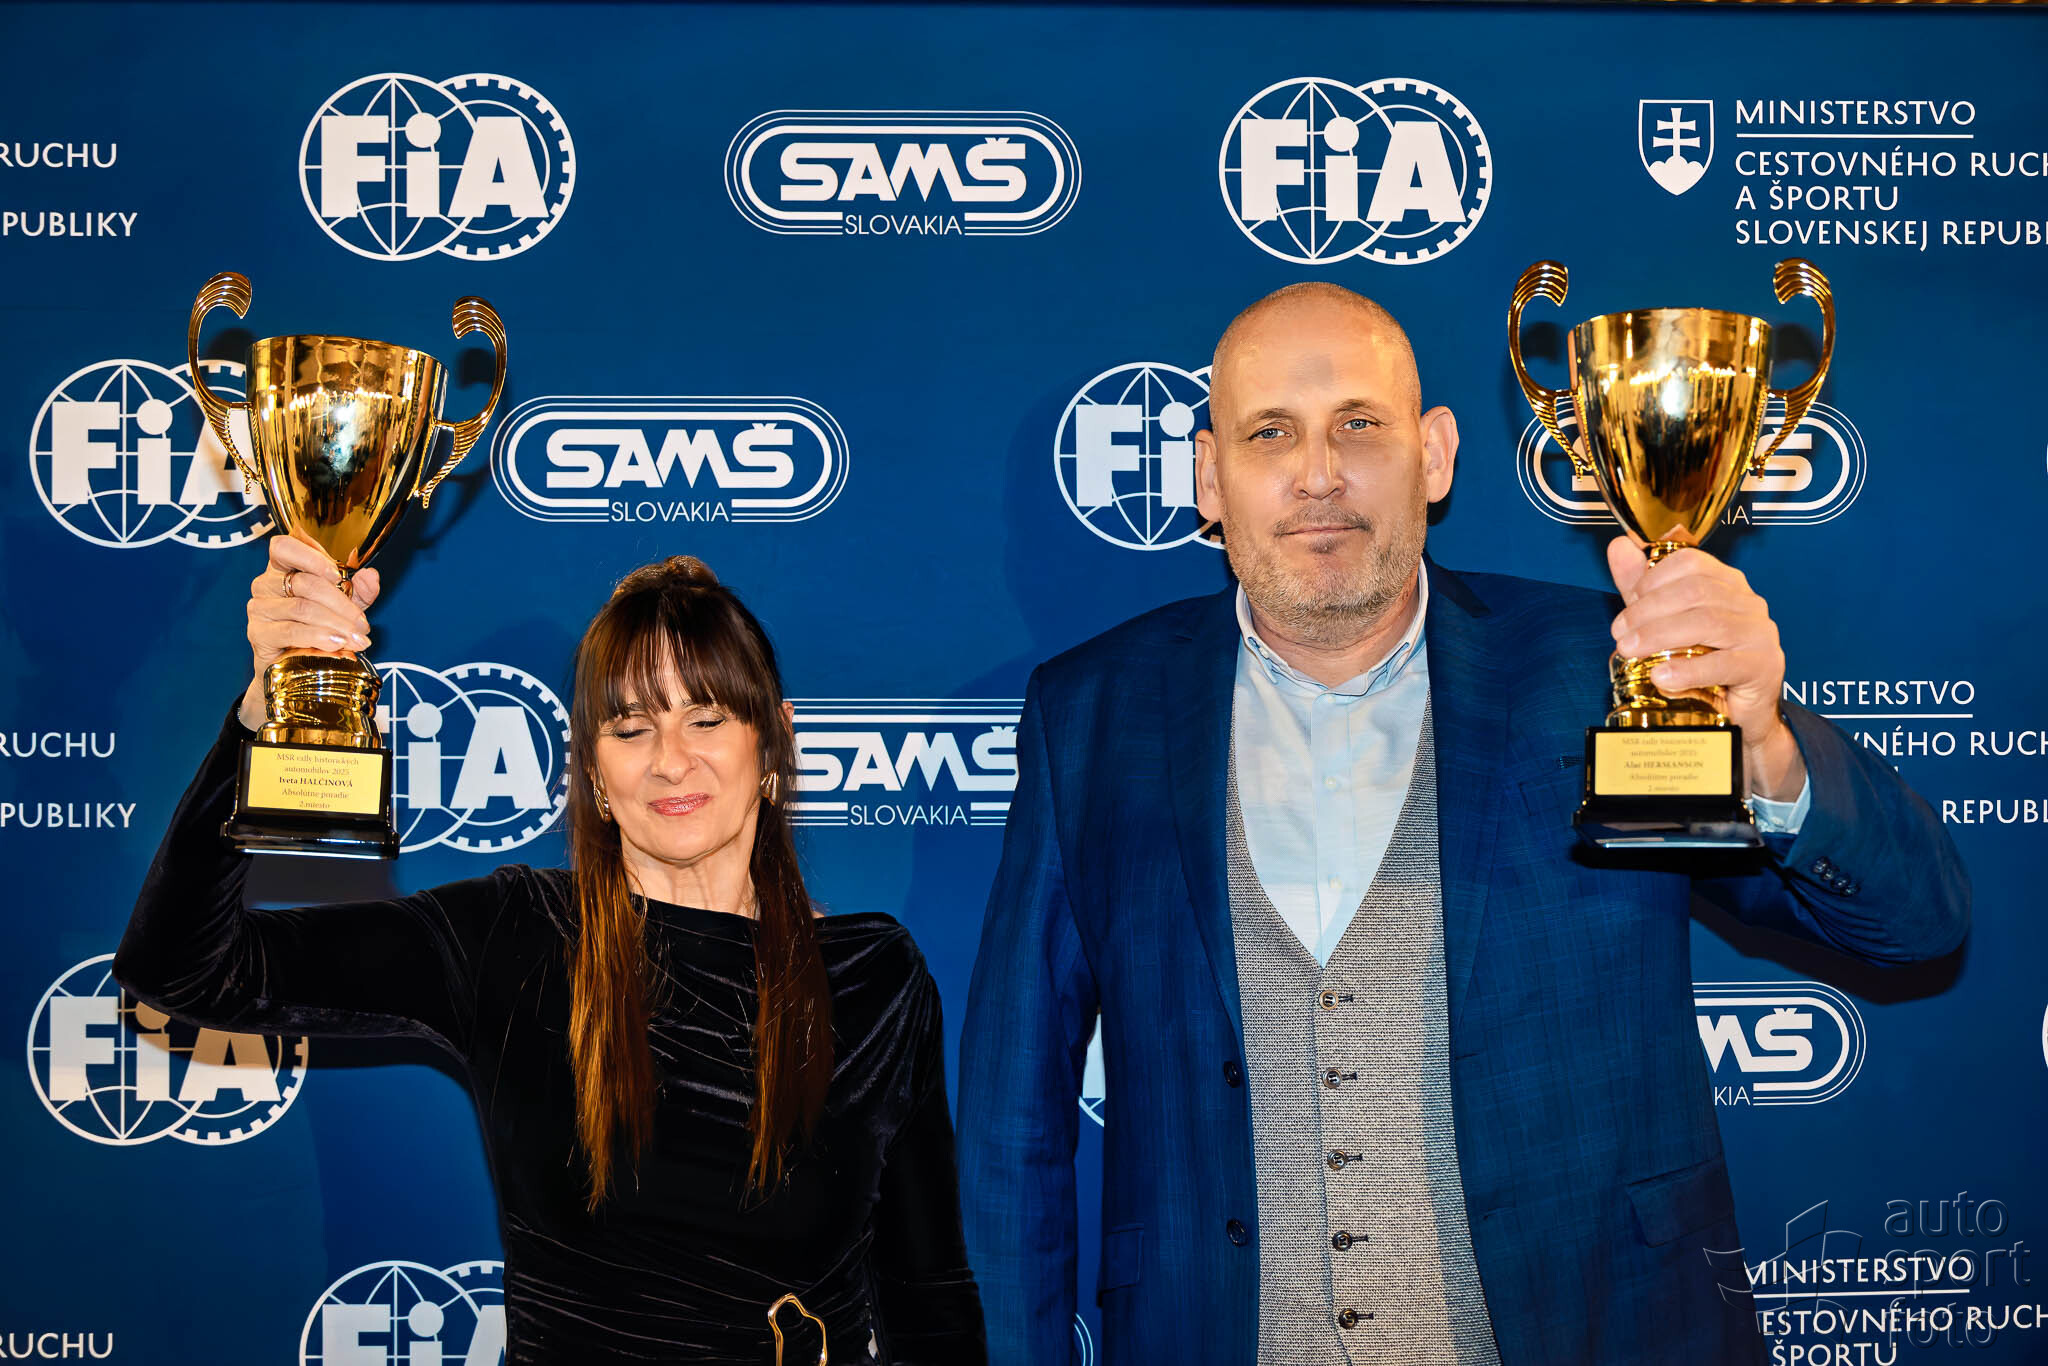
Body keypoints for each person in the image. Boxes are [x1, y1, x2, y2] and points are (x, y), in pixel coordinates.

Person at [956, 282, 1968, 1365]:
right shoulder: (1090, 713)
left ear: (1433, 454)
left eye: (1358, 423)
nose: (1318, 473)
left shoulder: (1609, 669)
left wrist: (1763, 738)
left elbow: (1913, 926)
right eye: (1270, 433)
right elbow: (1014, 1121)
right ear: (1210, 478)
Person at [115, 544, 987, 1365]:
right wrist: (264, 714)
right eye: (631, 728)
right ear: (593, 772)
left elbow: (928, 1291)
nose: (671, 761)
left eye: (707, 717)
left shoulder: (873, 977)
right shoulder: (515, 935)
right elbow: (185, 968)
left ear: (773, 741)